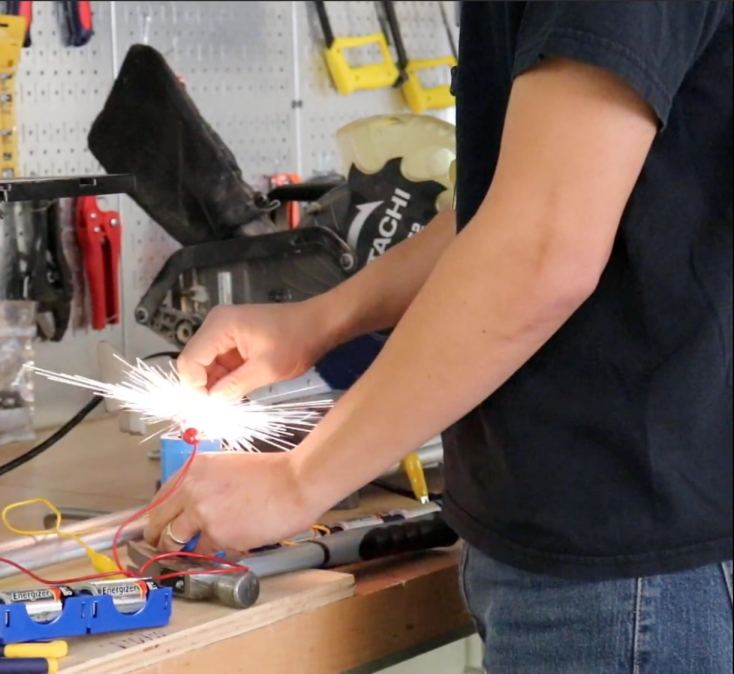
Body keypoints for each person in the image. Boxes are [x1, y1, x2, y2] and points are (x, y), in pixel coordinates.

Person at [144, 2, 733, 671]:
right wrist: (322, 320)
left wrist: (297, 481)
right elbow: (515, 205)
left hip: (629, 570)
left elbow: (542, 248)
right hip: (595, 552)